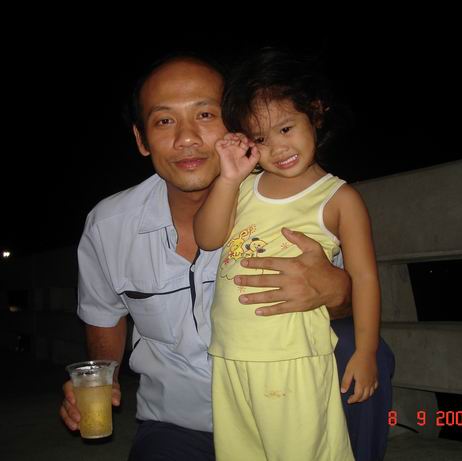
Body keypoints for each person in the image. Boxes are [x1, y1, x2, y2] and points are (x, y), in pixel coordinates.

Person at [59, 51, 393, 461]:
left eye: (205, 115)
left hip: (291, 390)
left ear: (236, 123)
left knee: (359, 346)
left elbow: (350, 294)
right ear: (141, 140)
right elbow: (103, 319)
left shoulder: (293, 197)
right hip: (180, 420)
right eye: (164, 121)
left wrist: (335, 290)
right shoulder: (109, 227)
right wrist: (99, 379)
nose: (186, 138)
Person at [193, 47, 380, 460]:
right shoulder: (243, 185)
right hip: (230, 353)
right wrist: (228, 178)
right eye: (261, 139)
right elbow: (207, 238)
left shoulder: (339, 198)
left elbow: (364, 278)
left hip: (293, 357)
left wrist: (365, 353)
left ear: (315, 113)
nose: (278, 148)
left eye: (286, 128)